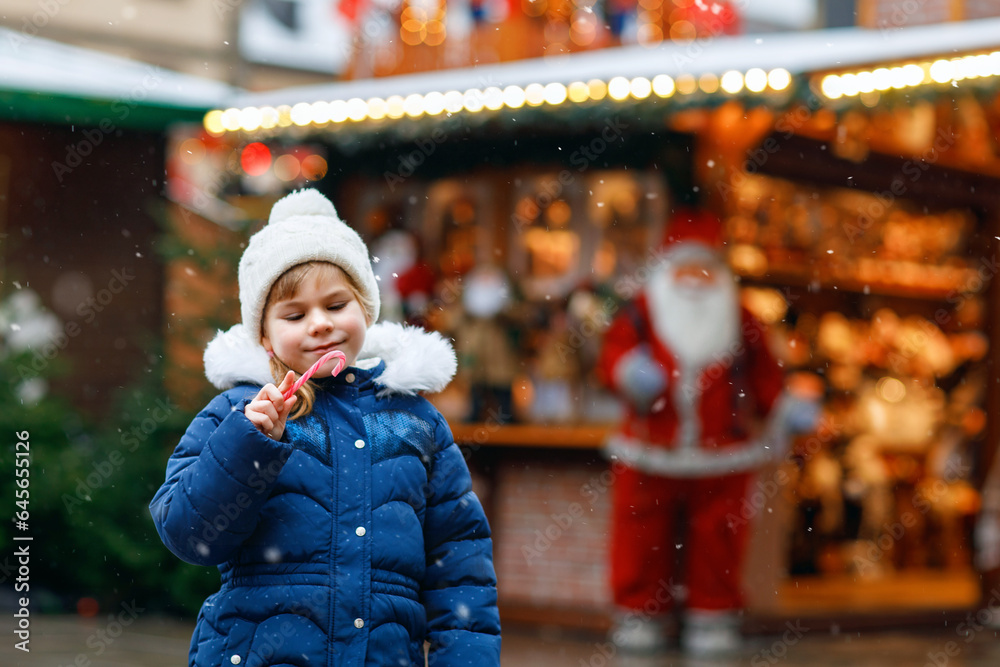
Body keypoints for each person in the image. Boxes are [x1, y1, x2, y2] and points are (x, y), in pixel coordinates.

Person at [149, 189, 501, 667]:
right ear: (264, 336)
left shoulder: (416, 422)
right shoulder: (239, 412)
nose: (319, 324)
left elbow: (460, 565)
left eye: (336, 305)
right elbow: (190, 535)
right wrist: (247, 447)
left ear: (366, 309)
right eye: (294, 315)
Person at [598, 207, 817, 656]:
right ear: (666, 270)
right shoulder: (640, 313)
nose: (695, 279)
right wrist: (626, 371)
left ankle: (712, 615)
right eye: (685, 269)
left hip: (723, 455)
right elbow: (612, 356)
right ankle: (640, 612)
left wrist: (787, 407)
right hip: (649, 450)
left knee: (718, 540)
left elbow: (765, 378)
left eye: (705, 268)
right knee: (641, 537)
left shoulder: (743, 321)